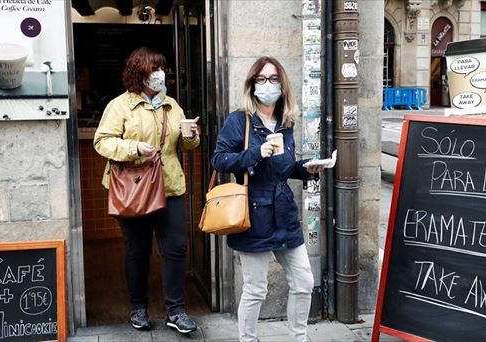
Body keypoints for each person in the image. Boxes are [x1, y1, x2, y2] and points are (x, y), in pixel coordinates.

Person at [211, 56, 325, 342]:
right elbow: (220, 159)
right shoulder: (239, 120)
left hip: (284, 212)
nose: (267, 85)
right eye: (261, 79)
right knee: (256, 288)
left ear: (282, 84)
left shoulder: (285, 123)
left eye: (273, 79)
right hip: (253, 213)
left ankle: (298, 339)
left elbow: (283, 167)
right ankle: (248, 340)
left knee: (303, 282)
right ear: (252, 85)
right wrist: (254, 154)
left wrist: (306, 168)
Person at [94, 47, 200, 333]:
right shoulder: (120, 106)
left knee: (176, 249)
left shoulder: (171, 105)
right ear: (138, 74)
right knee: (137, 251)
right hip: (134, 187)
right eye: (153, 70)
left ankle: (176, 311)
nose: (159, 75)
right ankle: (138, 308)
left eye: (162, 69)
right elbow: (102, 142)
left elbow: (184, 146)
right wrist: (134, 148)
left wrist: (191, 135)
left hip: (170, 186)